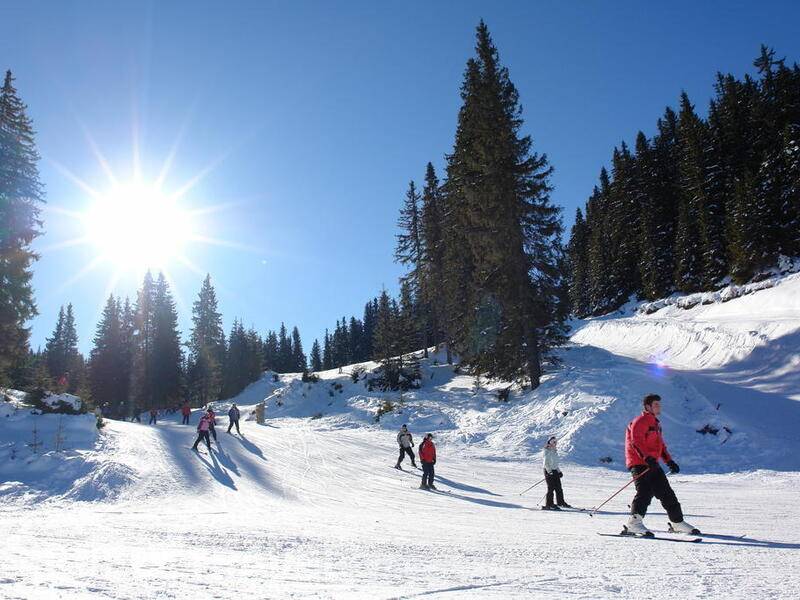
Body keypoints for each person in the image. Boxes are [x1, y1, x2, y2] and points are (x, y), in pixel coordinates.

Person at [624, 394, 699, 535]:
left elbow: (660, 446)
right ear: (647, 406)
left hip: (652, 463)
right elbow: (636, 442)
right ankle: (633, 524)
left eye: (659, 404)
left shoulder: (655, 423)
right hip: (639, 462)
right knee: (644, 491)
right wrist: (647, 458)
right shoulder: (640, 421)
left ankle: (677, 522)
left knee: (666, 492)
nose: (659, 407)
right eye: (656, 404)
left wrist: (669, 461)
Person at [542, 436, 571, 510]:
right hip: (548, 470)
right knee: (551, 488)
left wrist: (559, 471)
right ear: (550, 442)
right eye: (553, 442)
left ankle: (560, 502)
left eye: (556, 442)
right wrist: (549, 471)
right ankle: (549, 504)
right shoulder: (547, 451)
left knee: (559, 488)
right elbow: (546, 463)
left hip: (554, 470)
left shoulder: (554, 451)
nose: (555, 443)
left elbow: (555, 464)